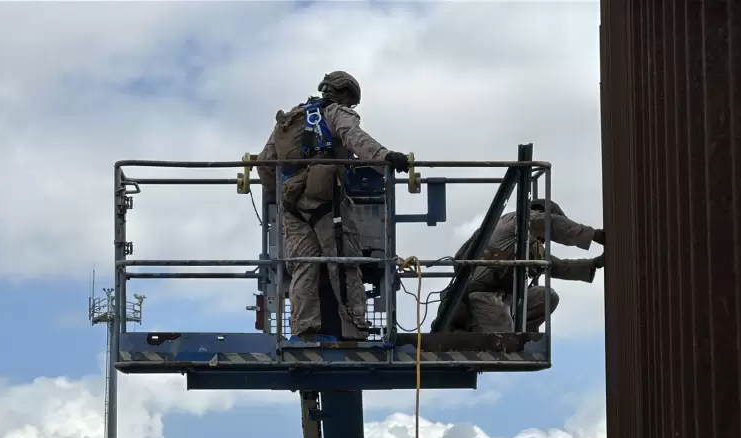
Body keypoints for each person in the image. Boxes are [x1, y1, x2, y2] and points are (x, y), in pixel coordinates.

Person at [256, 71, 410, 341]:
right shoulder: (336, 112)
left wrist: (283, 193)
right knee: (345, 264)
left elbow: (264, 163)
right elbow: (354, 137)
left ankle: (304, 332)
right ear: (345, 94)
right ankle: (356, 329)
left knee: (304, 266)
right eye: (351, 100)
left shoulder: (290, 119)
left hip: (292, 208)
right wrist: (385, 157)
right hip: (327, 204)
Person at [436, 200, 605, 333]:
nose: (544, 241)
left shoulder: (524, 241)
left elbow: (553, 265)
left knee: (546, 296)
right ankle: (467, 330)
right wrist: (595, 235)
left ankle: (518, 333)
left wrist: (595, 264)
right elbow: (552, 223)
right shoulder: (516, 220)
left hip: (501, 298)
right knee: (501, 338)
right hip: (477, 298)